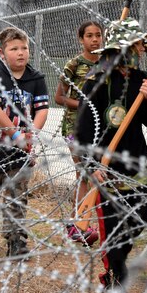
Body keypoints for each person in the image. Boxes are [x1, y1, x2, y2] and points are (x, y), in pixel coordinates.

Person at [75, 18, 147, 290]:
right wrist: (92, 165)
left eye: (140, 47)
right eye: (135, 46)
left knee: (140, 213)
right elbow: (84, 127)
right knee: (112, 220)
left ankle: (117, 263)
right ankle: (115, 276)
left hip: (135, 158)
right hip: (105, 161)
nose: (139, 51)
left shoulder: (141, 79)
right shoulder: (96, 80)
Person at [0, 27, 49, 257]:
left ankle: (16, 241)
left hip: (21, 152)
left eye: (24, 48)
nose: (21, 53)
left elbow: (42, 110)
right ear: (2, 53)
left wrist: (31, 135)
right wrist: (16, 136)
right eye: (14, 49)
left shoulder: (36, 78)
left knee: (17, 197)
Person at [55, 21, 103, 245]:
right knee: (84, 173)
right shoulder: (74, 65)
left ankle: (84, 222)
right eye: (89, 36)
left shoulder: (106, 63)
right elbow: (59, 97)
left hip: (99, 129)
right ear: (81, 39)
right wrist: (84, 105)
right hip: (75, 127)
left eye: (98, 35)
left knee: (97, 174)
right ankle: (80, 224)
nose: (94, 39)